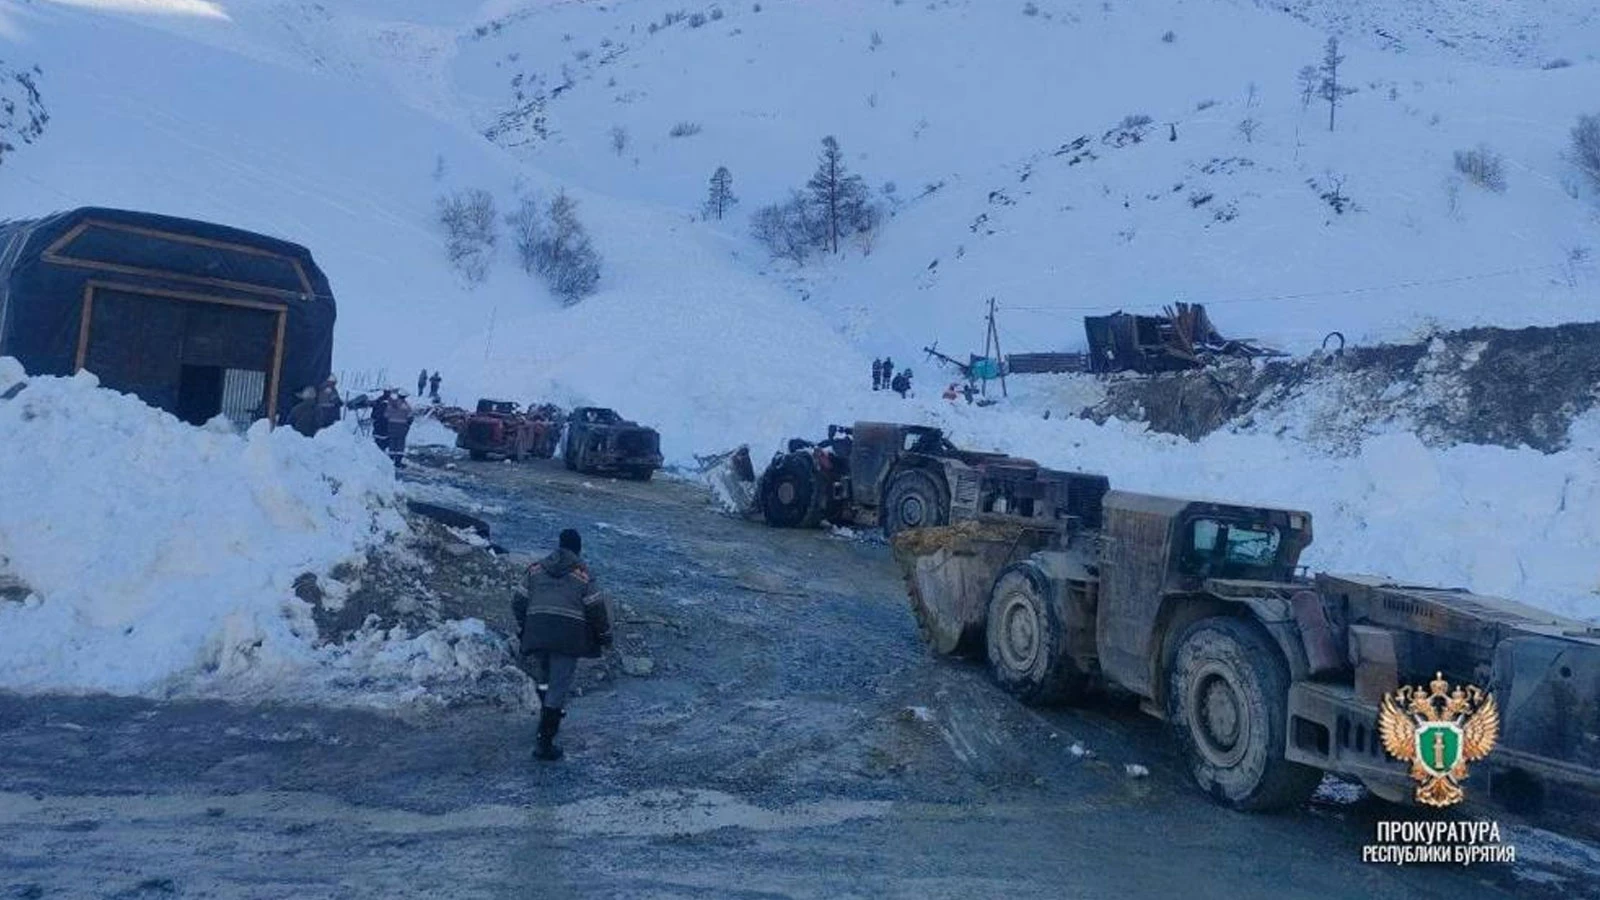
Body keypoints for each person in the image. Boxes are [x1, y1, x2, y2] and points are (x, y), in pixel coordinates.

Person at [515, 528, 612, 762]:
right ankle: (545, 742)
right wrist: (604, 635)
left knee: (544, 681)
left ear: (559, 545)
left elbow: (518, 601)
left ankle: (547, 714)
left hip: (537, 632)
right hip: (567, 637)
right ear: (578, 549)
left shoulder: (535, 569)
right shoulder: (584, 574)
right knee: (558, 686)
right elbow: (596, 608)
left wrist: (526, 627)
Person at [385, 390, 414, 467]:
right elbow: (410, 417)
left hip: (391, 425)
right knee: (400, 443)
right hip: (402, 427)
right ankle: (398, 461)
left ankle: (390, 459)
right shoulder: (406, 406)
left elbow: (386, 415)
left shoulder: (391, 404)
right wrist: (407, 425)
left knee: (392, 441)